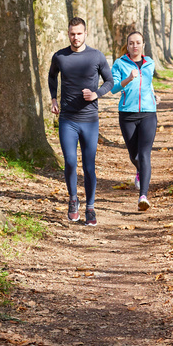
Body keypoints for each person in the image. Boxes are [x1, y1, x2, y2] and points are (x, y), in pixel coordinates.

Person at [48, 18, 113, 226]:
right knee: (69, 162)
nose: (75, 37)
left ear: (86, 33)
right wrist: (53, 98)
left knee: (89, 166)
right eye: (72, 33)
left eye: (79, 33)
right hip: (68, 119)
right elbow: (52, 76)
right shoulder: (60, 56)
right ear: (68, 34)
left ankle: (91, 207)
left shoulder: (96, 56)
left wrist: (96, 94)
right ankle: (73, 199)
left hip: (90, 120)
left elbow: (110, 81)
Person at [110, 30, 158, 211]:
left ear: (143, 45)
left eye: (138, 42)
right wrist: (128, 78)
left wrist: (154, 95)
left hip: (148, 113)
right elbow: (114, 88)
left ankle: (143, 196)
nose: (135, 46)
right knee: (134, 155)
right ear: (127, 46)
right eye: (131, 43)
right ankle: (140, 171)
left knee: (145, 154)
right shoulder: (119, 64)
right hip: (127, 114)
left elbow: (148, 83)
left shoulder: (150, 62)